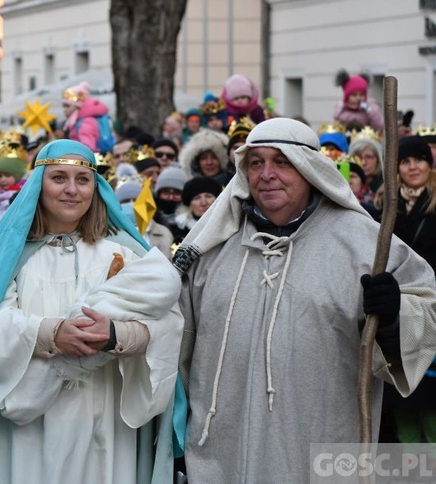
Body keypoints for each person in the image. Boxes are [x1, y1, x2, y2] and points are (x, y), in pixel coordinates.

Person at [174, 118, 436, 482]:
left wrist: (394, 316)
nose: (267, 174)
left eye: (282, 162)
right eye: (256, 163)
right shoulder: (212, 248)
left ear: (309, 168)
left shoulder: (363, 243)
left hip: (321, 448)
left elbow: (426, 307)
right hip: (221, 451)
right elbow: (175, 347)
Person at [0, 139, 184, 484]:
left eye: (82, 180)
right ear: (39, 184)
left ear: (95, 188)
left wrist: (114, 336)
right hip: (28, 428)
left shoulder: (124, 254)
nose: (71, 190)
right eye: (59, 178)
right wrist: (52, 334)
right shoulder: (9, 256)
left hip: (105, 418)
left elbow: (167, 326)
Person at [373, 136, 436, 447]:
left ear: (430, 165)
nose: (413, 166)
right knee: (401, 395)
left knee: (431, 399)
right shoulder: (384, 208)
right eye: (406, 160)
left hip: (431, 308)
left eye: (420, 159)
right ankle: (410, 468)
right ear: (396, 167)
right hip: (394, 310)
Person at [62, 81, 110, 152]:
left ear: (78, 106)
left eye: (68, 106)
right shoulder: (78, 121)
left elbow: (87, 149)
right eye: (64, 106)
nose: (64, 110)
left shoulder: (86, 122)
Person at [172, 176, 222, 244]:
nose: (203, 203)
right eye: (197, 198)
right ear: (189, 204)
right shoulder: (180, 233)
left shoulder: (229, 227)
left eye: (208, 196)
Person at [349, 126, 384, 195]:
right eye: (358, 157)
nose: (363, 163)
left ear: (378, 160)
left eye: (368, 157)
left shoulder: (385, 187)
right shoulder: (346, 185)